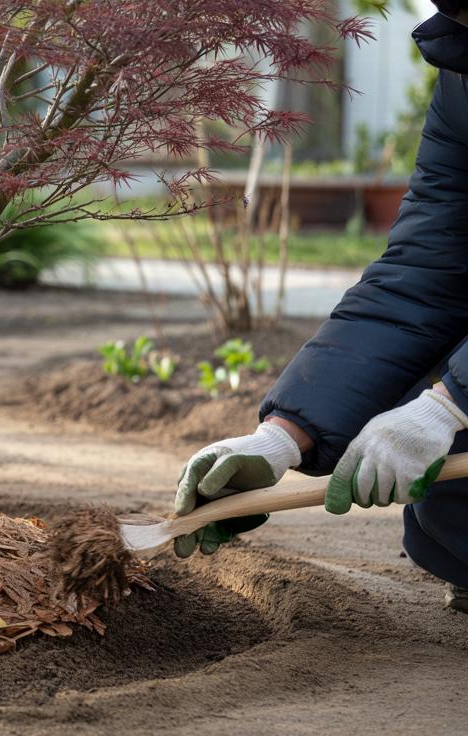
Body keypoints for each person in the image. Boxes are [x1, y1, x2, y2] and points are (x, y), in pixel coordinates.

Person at [174, 4, 468, 614]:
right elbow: (423, 275)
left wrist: (451, 404)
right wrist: (283, 436)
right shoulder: (464, 72)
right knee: (447, 509)